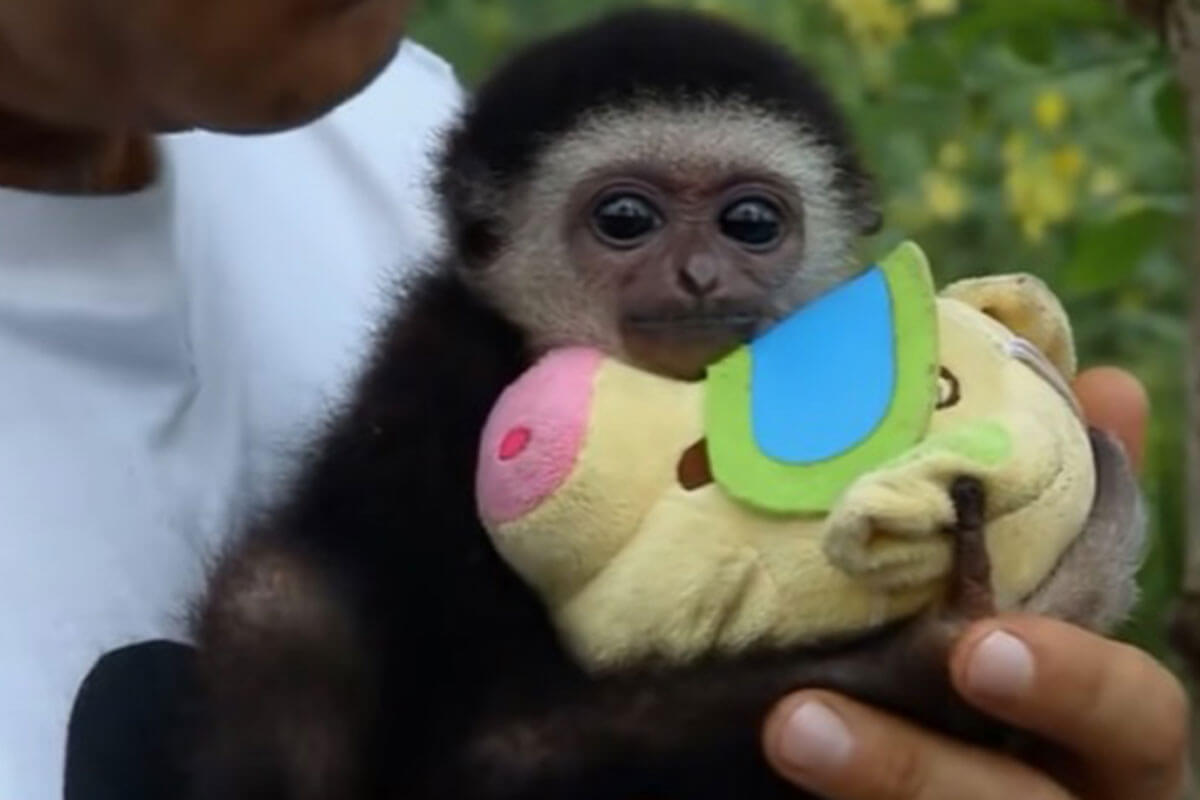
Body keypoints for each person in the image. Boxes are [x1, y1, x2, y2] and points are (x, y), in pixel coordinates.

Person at [0, 2, 1187, 799]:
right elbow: (501, 745)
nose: (700, 273)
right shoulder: (451, 392)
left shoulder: (385, 129)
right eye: (625, 221)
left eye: (753, 222)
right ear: (484, 239)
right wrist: (899, 666)